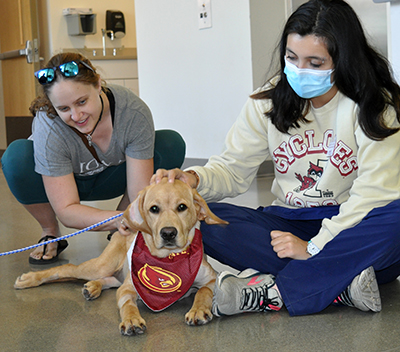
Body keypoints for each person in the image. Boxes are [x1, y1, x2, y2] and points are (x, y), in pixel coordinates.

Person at [152, 0, 400, 317]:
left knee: (396, 217)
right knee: (204, 219)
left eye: (315, 62)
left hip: (354, 227)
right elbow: (232, 169)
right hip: (288, 224)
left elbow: (375, 195)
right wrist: (195, 179)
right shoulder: (266, 101)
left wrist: (314, 247)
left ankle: (275, 292)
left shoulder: (376, 105)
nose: (300, 71)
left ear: (344, 60)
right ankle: (341, 285)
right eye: (292, 58)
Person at [1, 52, 185, 264]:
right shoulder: (48, 125)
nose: (76, 116)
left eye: (81, 101)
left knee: (170, 143)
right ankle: (50, 232)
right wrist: (119, 220)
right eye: (64, 108)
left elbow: (139, 194)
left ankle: (120, 231)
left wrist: (125, 218)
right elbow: (67, 210)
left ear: (98, 85)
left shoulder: (132, 111)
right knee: (16, 157)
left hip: (111, 178)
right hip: (62, 185)